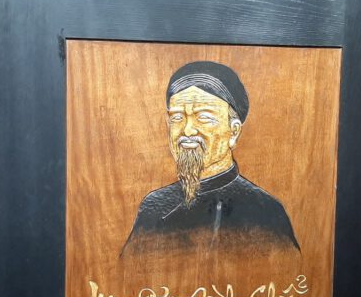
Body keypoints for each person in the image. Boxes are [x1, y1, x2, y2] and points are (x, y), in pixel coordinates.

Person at [122, 60, 299, 254]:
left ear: (233, 131)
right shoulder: (154, 206)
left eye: (204, 117)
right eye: (177, 118)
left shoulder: (264, 212)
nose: (188, 130)